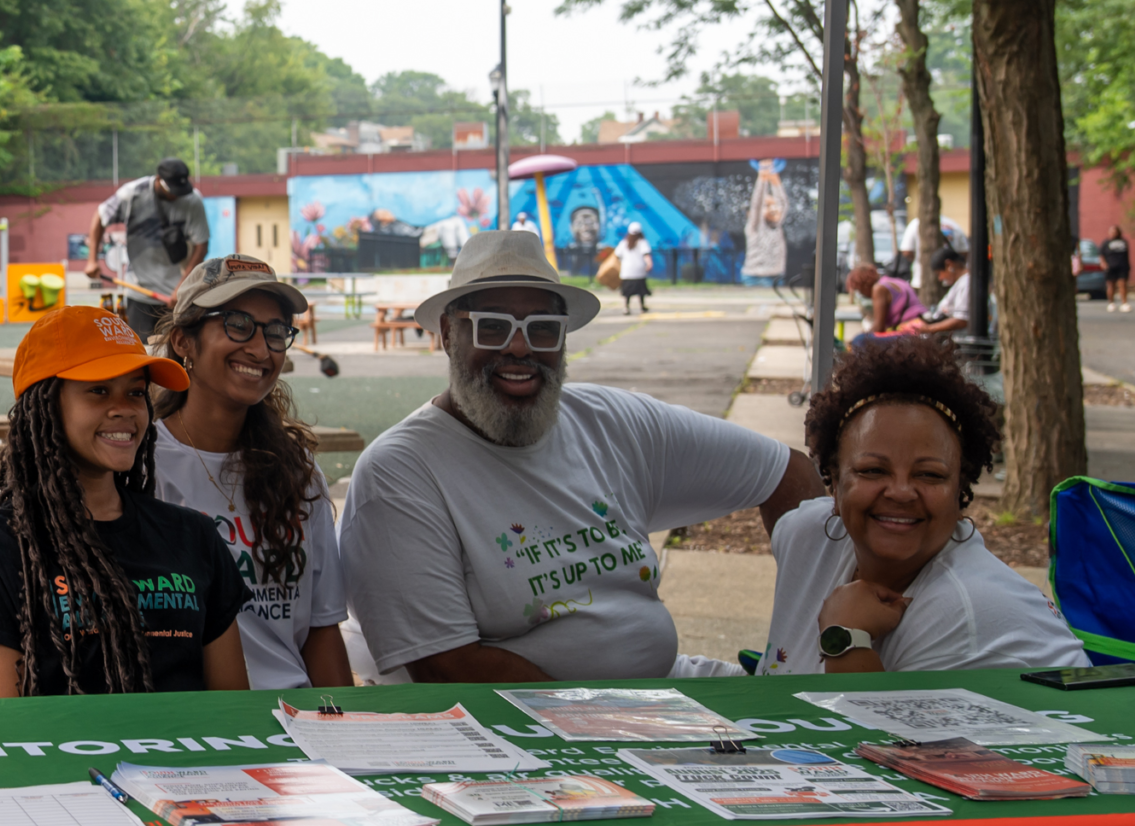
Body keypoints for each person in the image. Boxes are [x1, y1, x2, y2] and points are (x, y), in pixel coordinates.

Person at [343, 230, 817, 683]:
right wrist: (613, 721)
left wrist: (793, 658)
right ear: (448, 334)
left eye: (544, 328)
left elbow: (789, 475)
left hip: (669, 695)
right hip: (541, 732)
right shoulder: (401, 472)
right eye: (492, 327)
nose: (519, 347)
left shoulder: (612, 421)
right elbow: (449, 671)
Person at [0, 306, 249, 697]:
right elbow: (5, 725)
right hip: (69, 757)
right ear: (46, 405)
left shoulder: (194, 536)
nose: (124, 408)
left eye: (136, 392)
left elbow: (233, 705)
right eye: (99, 390)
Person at [758, 337, 1087, 674]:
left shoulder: (968, 609)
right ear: (835, 483)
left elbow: (861, 726)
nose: (901, 492)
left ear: (959, 492)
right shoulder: (805, 537)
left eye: (929, 475)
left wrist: (844, 639)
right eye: (873, 470)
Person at [149, 256, 351, 690]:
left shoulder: (297, 471)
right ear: (184, 341)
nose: (261, 350)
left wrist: (345, 730)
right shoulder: (141, 466)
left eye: (275, 332)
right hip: (190, 723)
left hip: (294, 717)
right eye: (238, 324)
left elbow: (321, 629)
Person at [94, 158, 209, 338]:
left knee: (175, 354)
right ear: (159, 180)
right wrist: (91, 260)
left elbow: (201, 245)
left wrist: (181, 287)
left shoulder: (192, 200)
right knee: (141, 354)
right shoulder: (132, 194)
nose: (177, 196)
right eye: (173, 191)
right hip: (139, 292)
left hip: (176, 295)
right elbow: (100, 217)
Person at [845, 263, 931, 342]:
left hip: (913, 331)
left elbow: (879, 328)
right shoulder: (893, 281)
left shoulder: (878, 289)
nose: (861, 294)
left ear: (864, 285)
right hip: (922, 324)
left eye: (859, 290)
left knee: (859, 340)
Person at [925, 248, 973, 336]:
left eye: (939, 273)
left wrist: (928, 329)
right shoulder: (960, 282)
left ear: (949, 265)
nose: (940, 278)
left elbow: (962, 320)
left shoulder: (966, 283)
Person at [615, 224, 656, 314]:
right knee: (640, 291)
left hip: (626, 271)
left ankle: (626, 307)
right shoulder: (642, 242)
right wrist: (649, 263)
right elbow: (646, 254)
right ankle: (642, 307)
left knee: (627, 292)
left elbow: (617, 254)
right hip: (639, 270)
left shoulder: (624, 242)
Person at [1102, 227, 1134, 311]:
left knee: (1123, 284)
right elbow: (1101, 255)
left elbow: (1127, 255)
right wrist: (1104, 264)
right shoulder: (1106, 243)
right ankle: (1111, 303)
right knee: (1110, 285)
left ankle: (1124, 303)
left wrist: (1128, 266)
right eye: (1111, 231)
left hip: (1122, 266)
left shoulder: (1123, 242)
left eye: (1115, 232)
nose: (1113, 233)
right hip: (1111, 267)